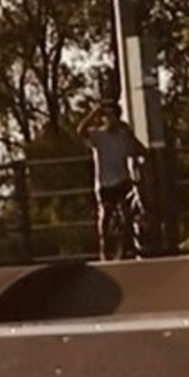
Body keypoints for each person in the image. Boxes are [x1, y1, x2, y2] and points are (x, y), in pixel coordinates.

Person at [77, 98, 148, 262]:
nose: (109, 119)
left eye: (112, 116)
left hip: (122, 180)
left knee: (126, 213)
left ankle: (127, 246)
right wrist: (93, 113)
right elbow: (81, 131)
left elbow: (140, 150)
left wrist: (130, 134)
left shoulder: (123, 136)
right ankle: (104, 248)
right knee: (106, 214)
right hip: (104, 183)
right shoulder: (98, 136)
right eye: (106, 116)